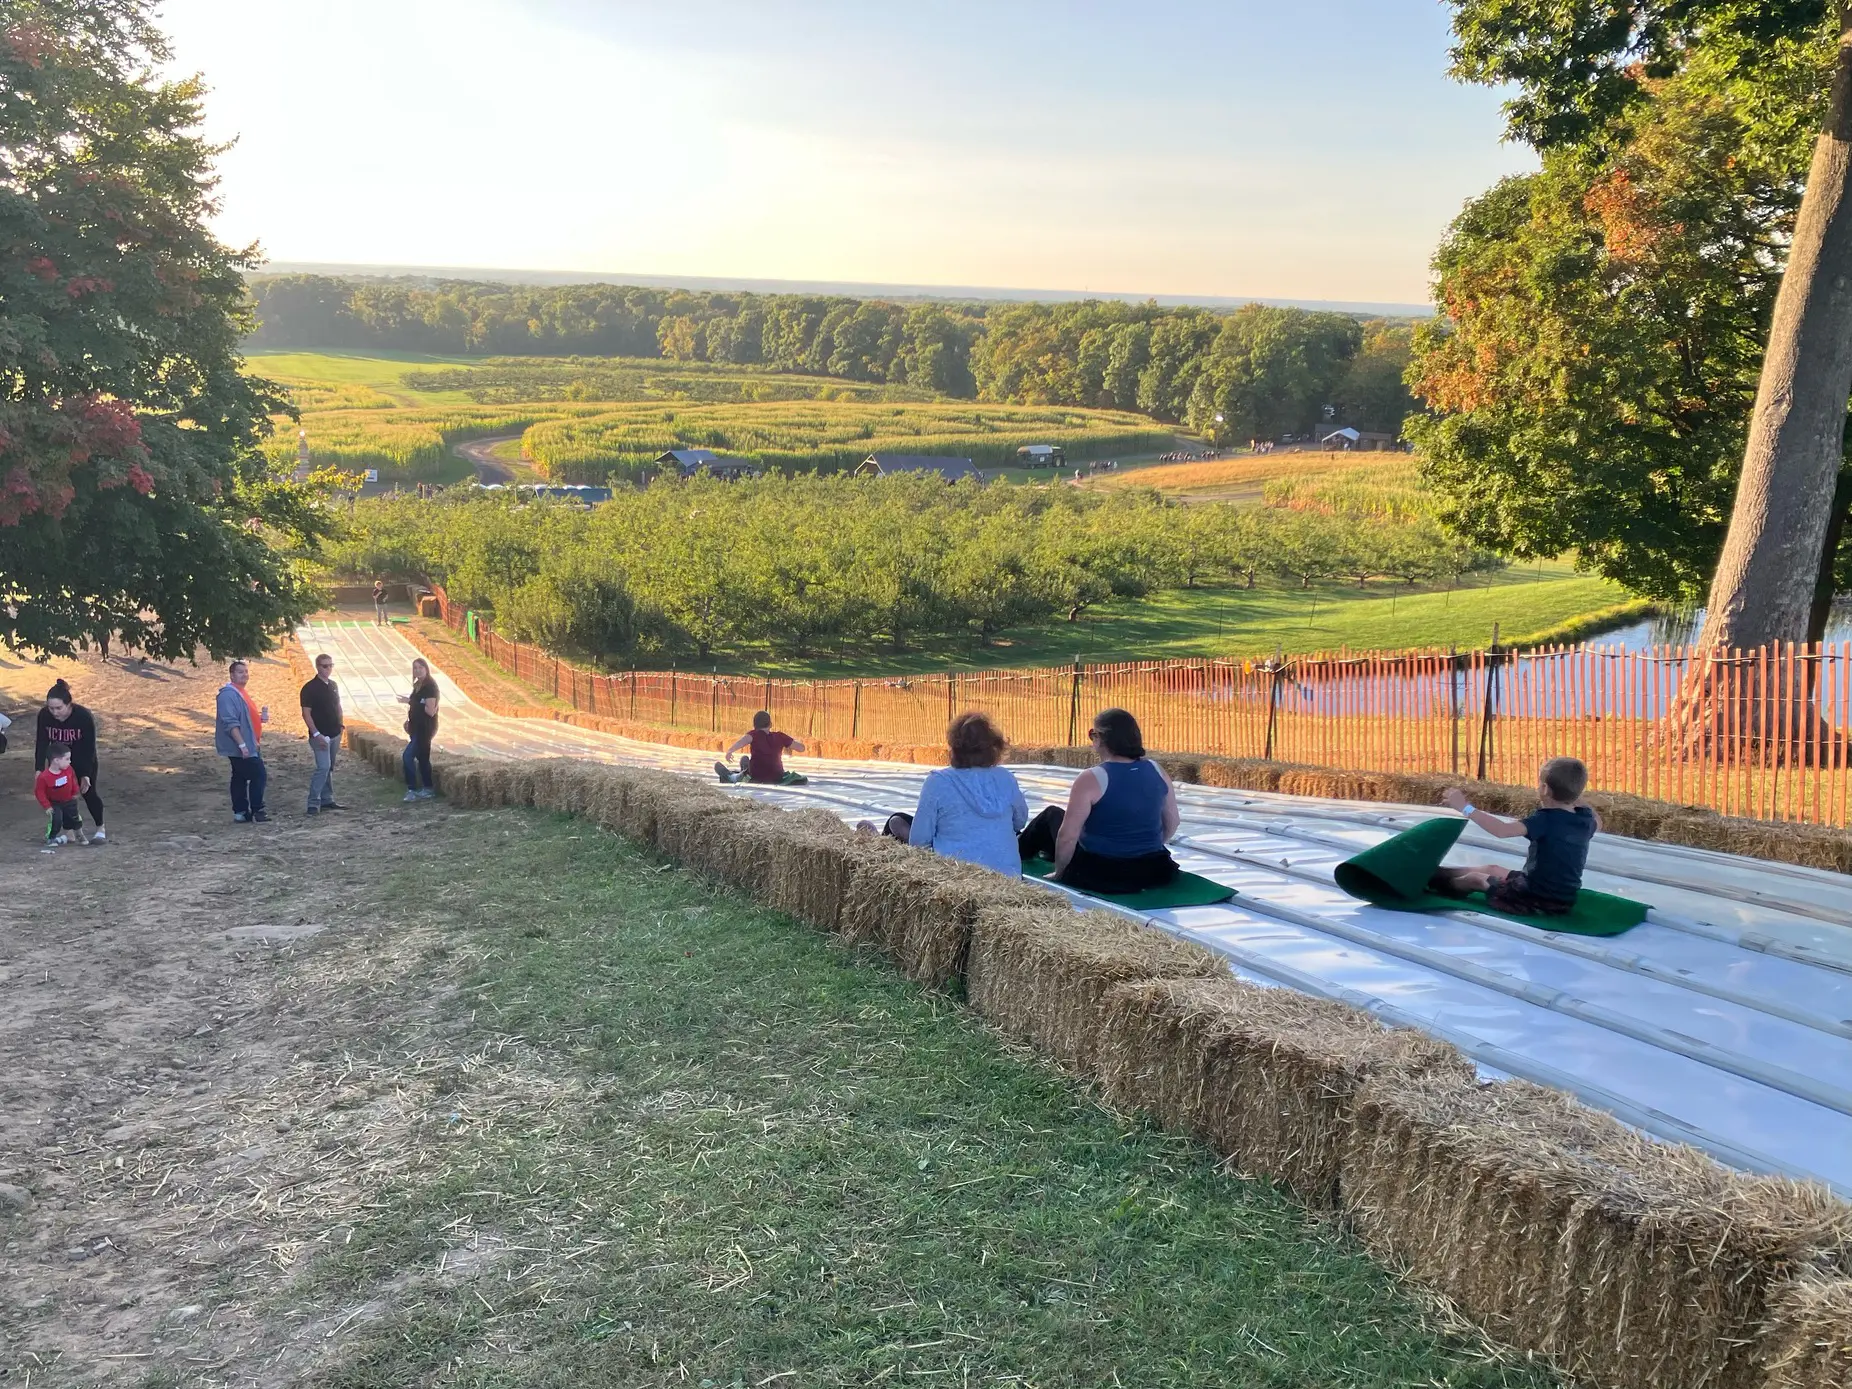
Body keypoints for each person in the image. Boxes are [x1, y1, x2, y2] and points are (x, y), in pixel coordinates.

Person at [1017, 707, 1181, 893]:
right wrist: (1147, 847)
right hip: (1155, 869)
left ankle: (1012, 852)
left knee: (1051, 816)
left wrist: (1061, 873)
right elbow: (1173, 822)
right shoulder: (1157, 769)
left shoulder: (1092, 778)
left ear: (1100, 737)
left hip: (1105, 872)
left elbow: (1068, 836)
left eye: (1092, 734)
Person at [1433, 757, 1599, 916]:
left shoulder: (1545, 819)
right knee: (1492, 869)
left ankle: (1436, 886)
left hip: (1535, 899)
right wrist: (1573, 794)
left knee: (1475, 879)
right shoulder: (1585, 819)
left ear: (1544, 788)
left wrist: (1465, 807)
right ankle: (1437, 873)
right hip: (1562, 897)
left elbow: (1502, 830)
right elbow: (1599, 821)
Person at [907, 713, 1029, 877]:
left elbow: (918, 841)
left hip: (956, 879)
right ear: (994, 747)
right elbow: (1020, 821)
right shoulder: (1006, 779)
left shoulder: (938, 782)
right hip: (1007, 877)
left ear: (954, 747)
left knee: (897, 822)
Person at [35, 679, 105, 842]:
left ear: (69, 704)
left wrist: (85, 773)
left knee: (88, 792)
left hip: (82, 759)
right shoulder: (44, 715)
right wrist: (39, 768)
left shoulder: (83, 717)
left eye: (58, 708)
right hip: (58, 762)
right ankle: (69, 833)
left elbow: (89, 747)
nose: (54, 712)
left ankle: (100, 828)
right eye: (51, 708)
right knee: (60, 796)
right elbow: (42, 742)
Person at [214, 660, 269, 823]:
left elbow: (245, 718)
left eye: (246, 671)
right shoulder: (228, 695)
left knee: (239, 776)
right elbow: (230, 723)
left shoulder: (241, 692)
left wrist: (260, 719)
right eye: (240, 672)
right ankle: (257, 810)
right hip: (241, 746)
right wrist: (242, 745)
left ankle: (241, 812)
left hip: (249, 743)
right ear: (232, 675)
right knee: (259, 774)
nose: (244, 674)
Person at [299, 652, 347, 816]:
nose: (328, 669)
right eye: (325, 666)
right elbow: (306, 714)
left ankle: (327, 799)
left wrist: (340, 724)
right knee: (323, 767)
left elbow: (338, 706)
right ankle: (313, 802)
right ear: (318, 667)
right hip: (320, 735)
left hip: (335, 732)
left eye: (330, 665)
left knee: (329, 767)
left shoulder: (333, 685)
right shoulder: (309, 688)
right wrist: (316, 734)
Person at [715, 710, 807, 785]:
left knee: (721, 768)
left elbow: (741, 742)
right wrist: (792, 741)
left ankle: (734, 774)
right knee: (745, 759)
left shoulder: (753, 734)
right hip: (776, 776)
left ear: (754, 726)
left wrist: (730, 751)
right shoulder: (780, 736)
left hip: (756, 776)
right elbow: (801, 748)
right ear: (770, 724)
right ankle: (744, 769)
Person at [396, 657, 440, 801]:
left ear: (426, 669)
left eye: (421, 667)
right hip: (416, 727)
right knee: (422, 758)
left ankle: (412, 789)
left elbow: (430, 711)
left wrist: (410, 701)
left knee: (407, 756)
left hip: (425, 728)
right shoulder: (418, 685)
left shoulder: (430, 687)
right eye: (415, 668)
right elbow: (417, 705)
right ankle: (428, 788)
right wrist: (409, 722)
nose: (418, 670)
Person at [35, 748, 88, 846]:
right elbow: (39, 792)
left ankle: (80, 834)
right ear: (56, 760)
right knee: (56, 820)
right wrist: (47, 806)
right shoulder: (44, 777)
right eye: (67, 759)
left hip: (69, 800)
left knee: (75, 818)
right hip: (55, 803)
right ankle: (51, 838)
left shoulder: (69, 769)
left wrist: (75, 792)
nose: (70, 761)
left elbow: (73, 780)